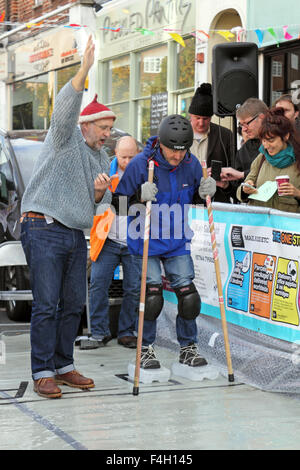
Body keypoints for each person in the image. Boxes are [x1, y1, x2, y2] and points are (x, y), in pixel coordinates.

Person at [20, 36, 116, 399]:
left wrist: (96, 194)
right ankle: (42, 370)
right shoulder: (64, 137)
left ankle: (63, 365)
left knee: (73, 303)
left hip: (75, 231)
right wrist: (84, 69)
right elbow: (63, 109)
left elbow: (99, 199)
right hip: (42, 224)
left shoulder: (101, 157)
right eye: (103, 128)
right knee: (46, 303)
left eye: (110, 129)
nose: (108, 135)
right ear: (85, 125)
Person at [112, 114, 216, 369]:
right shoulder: (140, 164)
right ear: (161, 144)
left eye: (183, 151)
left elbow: (196, 198)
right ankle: (145, 348)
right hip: (145, 240)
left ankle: (188, 348)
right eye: (173, 150)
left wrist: (206, 194)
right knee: (153, 296)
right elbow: (117, 205)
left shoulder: (191, 164)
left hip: (177, 240)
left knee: (188, 295)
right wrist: (138, 195)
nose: (178, 156)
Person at [88, 136, 140, 349]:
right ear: (115, 154)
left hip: (134, 240)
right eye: (123, 157)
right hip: (107, 238)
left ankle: (126, 332)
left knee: (134, 288)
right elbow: (92, 200)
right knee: (98, 284)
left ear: (137, 154)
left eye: (131, 156)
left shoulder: (145, 172)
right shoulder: (104, 171)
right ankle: (99, 332)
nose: (127, 161)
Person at [236, 107, 300, 212]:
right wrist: (245, 189)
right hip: (260, 225)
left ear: (286, 136)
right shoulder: (261, 158)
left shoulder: (297, 160)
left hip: (287, 225)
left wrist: (297, 193)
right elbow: (244, 186)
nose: (266, 146)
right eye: (263, 141)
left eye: (271, 140)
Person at [188, 83, 234, 203]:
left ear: (211, 117)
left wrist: (225, 183)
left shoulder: (225, 135)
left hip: (217, 201)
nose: (201, 123)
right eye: (197, 118)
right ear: (190, 115)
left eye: (206, 118)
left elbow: (234, 171)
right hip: (187, 202)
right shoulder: (179, 135)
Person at [221, 98, 268, 193]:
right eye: (241, 125)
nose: (244, 129)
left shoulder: (282, 141)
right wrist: (226, 185)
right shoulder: (243, 151)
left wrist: (242, 174)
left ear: (262, 117)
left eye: (247, 123)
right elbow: (237, 190)